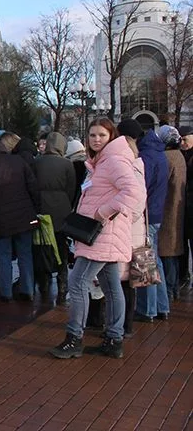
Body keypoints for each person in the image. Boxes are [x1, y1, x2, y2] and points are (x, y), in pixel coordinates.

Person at [49, 118, 144, 359]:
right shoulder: (102, 161)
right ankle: (114, 339)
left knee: (77, 282)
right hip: (103, 235)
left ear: (111, 136)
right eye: (92, 135)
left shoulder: (113, 160)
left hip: (103, 235)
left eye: (102, 135)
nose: (96, 139)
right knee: (111, 288)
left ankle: (74, 338)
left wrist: (103, 212)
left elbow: (133, 192)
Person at [0, 133, 40, 302]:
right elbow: (33, 187)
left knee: (4, 255)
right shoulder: (18, 161)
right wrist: (35, 209)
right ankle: (27, 290)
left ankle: (6, 293)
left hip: (0, 219)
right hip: (24, 217)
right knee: (25, 254)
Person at [32, 132, 76, 302]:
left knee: (42, 245)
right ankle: (62, 283)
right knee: (61, 247)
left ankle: (44, 281)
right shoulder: (67, 164)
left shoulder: (37, 162)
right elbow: (71, 188)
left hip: (41, 208)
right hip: (62, 210)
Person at [115, 121, 148, 339]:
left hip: (127, 232)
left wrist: (115, 215)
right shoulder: (135, 167)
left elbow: (136, 205)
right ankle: (122, 324)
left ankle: (124, 325)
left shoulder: (133, 169)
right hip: (130, 232)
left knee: (125, 282)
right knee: (125, 281)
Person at [134, 125, 170, 323]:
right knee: (154, 261)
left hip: (147, 213)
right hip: (156, 212)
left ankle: (147, 309)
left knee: (144, 260)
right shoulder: (158, 152)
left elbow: (141, 187)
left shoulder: (146, 156)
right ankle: (161, 306)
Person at [156, 125, 186, 302]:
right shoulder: (179, 155)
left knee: (166, 252)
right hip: (176, 209)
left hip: (167, 209)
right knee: (173, 251)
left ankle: (169, 290)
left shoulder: (167, 158)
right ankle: (173, 289)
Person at [180, 125, 193, 290]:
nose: (183, 143)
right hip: (184, 208)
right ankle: (184, 275)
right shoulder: (181, 155)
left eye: (185, 139)